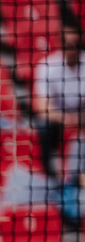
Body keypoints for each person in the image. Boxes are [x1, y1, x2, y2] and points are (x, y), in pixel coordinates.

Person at [33, 25, 85, 185]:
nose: (72, 50)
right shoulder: (47, 66)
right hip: (58, 117)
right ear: (60, 45)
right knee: (42, 126)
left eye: (75, 45)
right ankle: (50, 178)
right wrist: (64, 119)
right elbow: (41, 106)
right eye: (68, 45)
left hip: (83, 115)